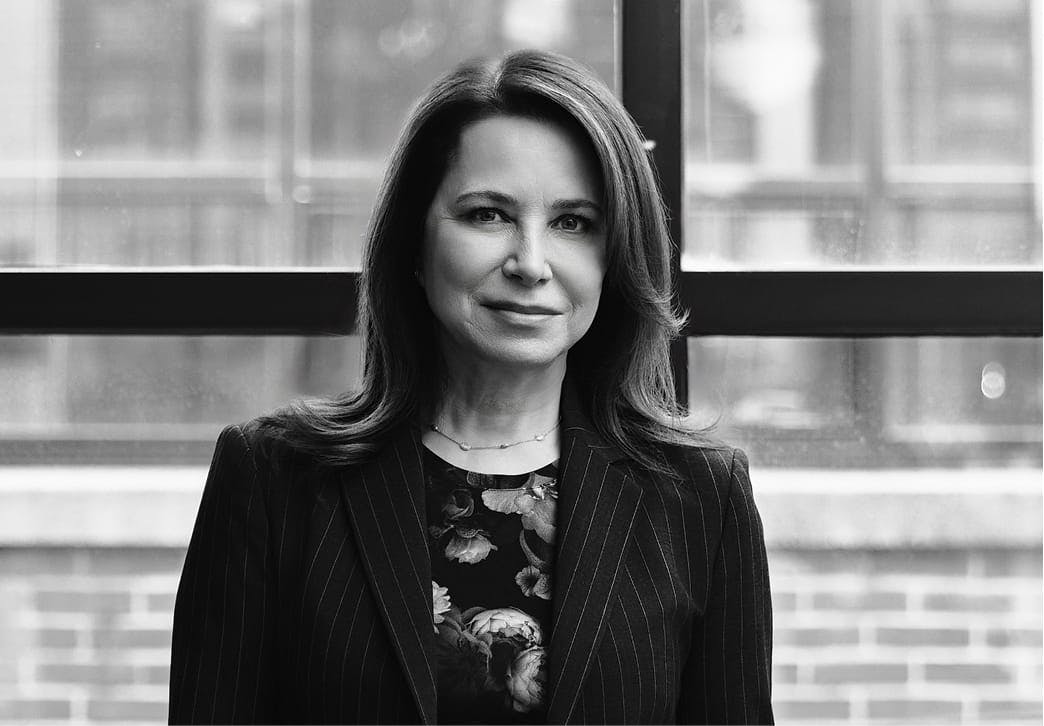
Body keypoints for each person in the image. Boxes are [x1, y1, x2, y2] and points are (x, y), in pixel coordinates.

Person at [169, 49, 773, 725]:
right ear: (415, 246)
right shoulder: (273, 478)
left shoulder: (699, 497)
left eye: (575, 223)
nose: (531, 263)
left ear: (616, 257)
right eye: (488, 214)